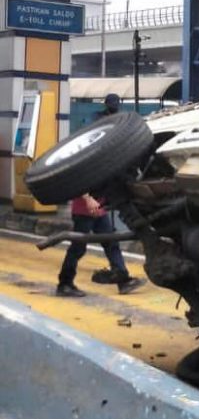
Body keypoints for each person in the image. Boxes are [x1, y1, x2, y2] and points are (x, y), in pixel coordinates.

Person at [55, 93, 142, 297]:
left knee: (111, 242)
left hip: (99, 206)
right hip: (84, 208)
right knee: (78, 248)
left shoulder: (104, 153)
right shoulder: (85, 151)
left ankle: (123, 280)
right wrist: (88, 199)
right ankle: (64, 284)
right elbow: (78, 178)